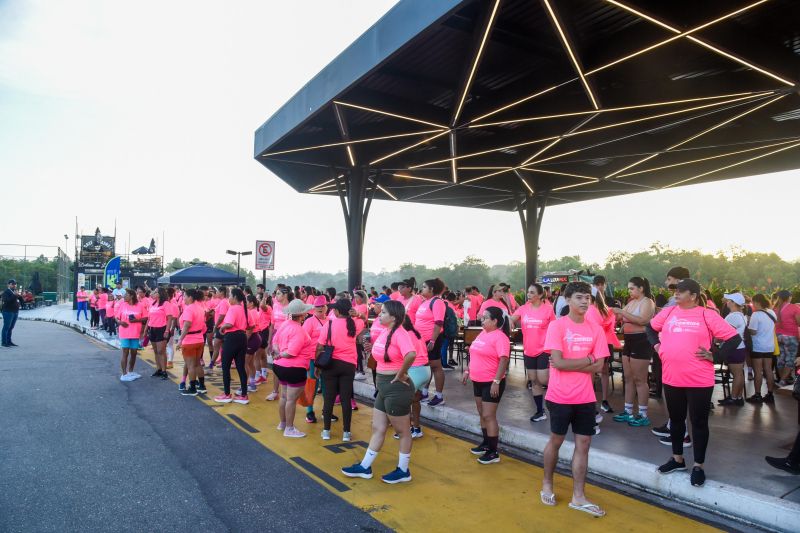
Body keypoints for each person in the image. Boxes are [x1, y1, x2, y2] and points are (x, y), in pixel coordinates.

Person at [646, 279, 740, 488]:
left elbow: (734, 338)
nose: (676, 294)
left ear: (694, 295)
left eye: (681, 291)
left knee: (698, 422)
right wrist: (658, 346)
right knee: (677, 421)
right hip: (672, 377)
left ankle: (699, 465)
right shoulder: (669, 312)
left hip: (699, 379)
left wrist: (715, 356)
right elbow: (650, 329)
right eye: (675, 291)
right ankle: (677, 459)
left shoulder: (707, 315)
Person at [540, 282, 609, 517]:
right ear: (568, 300)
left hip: (585, 397)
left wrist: (582, 363)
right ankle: (547, 483)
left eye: (587, 299)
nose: (584, 302)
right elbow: (557, 363)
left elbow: (600, 365)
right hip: (559, 396)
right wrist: (588, 360)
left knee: (584, 445)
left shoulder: (595, 329)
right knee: (556, 440)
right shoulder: (557, 327)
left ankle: (578, 496)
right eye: (579, 297)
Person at [342, 300, 418, 483]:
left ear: (393, 317)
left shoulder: (400, 333)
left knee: (403, 431)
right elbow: (386, 355)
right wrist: (371, 349)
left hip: (396, 387)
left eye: (383, 312)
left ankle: (403, 470)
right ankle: (365, 466)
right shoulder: (385, 332)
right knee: (378, 427)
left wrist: (401, 374)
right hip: (384, 385)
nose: (380, 314)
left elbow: (411, 354)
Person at [462, 306, 511, 465]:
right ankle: (486, 443)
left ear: (495, 321)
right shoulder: (483, 333)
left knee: (489, 416)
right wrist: (468, 371)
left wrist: (496, 381)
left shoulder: (500, 337)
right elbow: (474, 353)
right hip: (477, 380)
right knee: (482, 413)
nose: (482, 320)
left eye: (485, 318)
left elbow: (504, 360)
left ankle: (493, 451)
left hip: (491, 382)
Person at [611, 277, 656, 426]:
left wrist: (622, 313)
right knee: (628, 378)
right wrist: (615, 313)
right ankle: (628, 411)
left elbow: (643, 320)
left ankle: (643, 414)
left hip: (641, 341)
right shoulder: (631, 303)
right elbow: (622, 318)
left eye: (632, 288)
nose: (629, 291)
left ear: (641, 288)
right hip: (629, 342)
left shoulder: (648, 302)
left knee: (640, 380)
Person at [511, 283, 556, 422]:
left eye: (531, 292)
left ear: (540, 295)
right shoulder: (523, 308)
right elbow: (512, 319)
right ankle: (540, 411)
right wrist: (509, 322)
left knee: (543, 379)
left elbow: (555, 328)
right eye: (528, 292)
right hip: (528, 349)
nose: (528, 295)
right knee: (534, 381)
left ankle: (557, 405)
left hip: (544, 349)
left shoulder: (548, 309)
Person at [272, 298, 316, 438]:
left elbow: (275, 342)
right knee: (290, 399)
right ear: (302, 315)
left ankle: (283, 423)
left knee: (284, 396)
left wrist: (278, 355)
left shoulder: (285, 324)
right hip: (294, 368)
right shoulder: (299, 331)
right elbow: (292, 352)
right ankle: (289, 428)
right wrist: (281, 355)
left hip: (280, 368)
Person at [316, 298, 358, 441]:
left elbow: (320, 346)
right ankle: (346, 433)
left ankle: (326, 431)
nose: (332, 310)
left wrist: (317, 365)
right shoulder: (354, 324)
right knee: (346, 399)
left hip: (331, 364)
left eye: (334, 309)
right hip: (349, 365)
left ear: (338, 311)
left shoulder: (330, 323)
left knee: (329, 398)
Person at [213, 288, 251, 405]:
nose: (229, 298)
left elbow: (229, 323)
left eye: (230, 296)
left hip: (232, 338)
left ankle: (227, 394)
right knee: (240, 367)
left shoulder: (233, 308)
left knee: (225, 366)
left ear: (234, 297)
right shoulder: (244, 309)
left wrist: (222, 328)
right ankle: (244, 395)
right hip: (242, 337)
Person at [415, 278, 447, 407]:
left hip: (432, 339)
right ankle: (424, 392)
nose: (422, 289)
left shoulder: (437, 302)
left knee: (435, 366)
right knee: (425, 366)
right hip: (422, 340)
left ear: (432, 289)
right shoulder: (425, 302)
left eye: (424, 287)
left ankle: (439, 396)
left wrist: (432, 340)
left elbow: (439, 323)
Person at [175, 289, 208, 396]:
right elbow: (204, 326)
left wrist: (180, 339)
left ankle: (192, 388)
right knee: (197, 364)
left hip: (189, 340)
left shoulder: (189, 309)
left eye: (184, 296)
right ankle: (202, 386)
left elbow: (187, 325)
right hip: (199, 339)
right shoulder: (200, 308)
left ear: (190, 297)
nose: (183, 298)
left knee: (191, 366)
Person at [718, 293, 748, 406]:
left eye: (729, 300)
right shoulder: (740, 315)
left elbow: (725, 333)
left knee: (736, 374)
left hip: (733, 348)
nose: (727, 302)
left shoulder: (733, 316)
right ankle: (738, 397)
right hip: (739, 347)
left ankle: (734, 398)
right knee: (739, 373)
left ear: (733, 303)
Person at [746, 293, 777, 403]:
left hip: (758, 346)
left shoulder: (756, 315)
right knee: (769, 370)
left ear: (757, 302)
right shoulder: (772, 312)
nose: (752, 305)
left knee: (758, 371)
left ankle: (758, 395)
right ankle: (770, 394)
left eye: (753, 302)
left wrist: (747, 327)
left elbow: (753, 332)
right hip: (769, 345)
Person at [302, 295, 329, 423]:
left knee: (326, 385)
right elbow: (303, 340)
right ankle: (309, 412)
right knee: (312, 385)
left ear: (326, 307)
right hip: (313, 358)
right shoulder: (309, 322)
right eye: (317, 307)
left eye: (322, 307)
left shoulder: (330, 320)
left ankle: (326, 411)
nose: (319, 309)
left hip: (327, 358)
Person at [266, 286, 293, 401]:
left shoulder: (291, 307)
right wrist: (269, 341)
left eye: (278, 294)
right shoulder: (275, 306)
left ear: (285, 295)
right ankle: (275, 391)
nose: (275, 296)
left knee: (287, 365)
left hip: (287, 337)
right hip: (276, 336)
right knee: (276, 365)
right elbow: (272, 325)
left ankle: (288, 392)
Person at [116, 289, 146, 381]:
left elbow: (145, 318)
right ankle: (124, 374)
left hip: (135, 333)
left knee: (134, 353)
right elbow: (116, 317)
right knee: (125, 352)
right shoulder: (122, 305)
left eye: (126, 295)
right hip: (124, 332)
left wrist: (136, 320)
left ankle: (131, 371)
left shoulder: (140, 306)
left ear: (132, 296)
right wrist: (120, 322)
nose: (124, 296)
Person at [144, 288, 173, 379]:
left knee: (161, 351)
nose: (153, 293)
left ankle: (164, 371)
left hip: (162, 329)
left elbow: (170, 318)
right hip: (152, 329)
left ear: (160, 294)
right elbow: (149, 318)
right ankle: (159, 369)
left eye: (156, 292)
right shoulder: (153, 303)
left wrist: (167, 330)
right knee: (156, 351)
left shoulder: (166, 304)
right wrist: (146, 329)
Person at [774, 290, 800, 386]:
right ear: (789, 297)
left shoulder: (775, 308)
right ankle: (782, 381)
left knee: (780, 359)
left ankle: (782, 379)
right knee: (790, 359)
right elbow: (799, 322)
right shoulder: (794, 307)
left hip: (778, 336)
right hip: (791, 336)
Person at [244, 295, 262, 393]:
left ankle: (245, 385)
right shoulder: (253, 311)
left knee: (245, 363)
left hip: (252, 338)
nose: (244, 303)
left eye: (246, 301)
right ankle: (252, 384)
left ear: (251, 303)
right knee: (250, 363)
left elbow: (250, 329)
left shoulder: (252, 312)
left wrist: (244, 341)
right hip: (255, 337)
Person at [210, 286, 229, 370]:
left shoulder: (224, 302)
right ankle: (221, 363)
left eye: (217, 292)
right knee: (221, 347)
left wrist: (216, 325)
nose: (216, 293)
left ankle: (212, 364)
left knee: (217, 346)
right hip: (221, 327)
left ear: (222, 292)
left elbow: (222, 315)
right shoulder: (222, 302)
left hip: (221, 327)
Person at [1, 280, 22, 347]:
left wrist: (20, 296)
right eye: (12, 284)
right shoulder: (5, 292)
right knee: (6, 327)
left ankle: (9, 341)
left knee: (11, 327)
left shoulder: (15, 292)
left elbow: (21, 301)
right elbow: (7, 301)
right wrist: (15, 295)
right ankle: (4, 342)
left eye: (15, 284)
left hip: (15, 311)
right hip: (8, 311)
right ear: (8, 285)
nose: (14, 285)